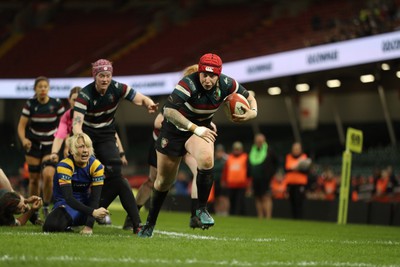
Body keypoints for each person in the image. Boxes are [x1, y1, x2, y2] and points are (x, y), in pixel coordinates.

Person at [138, 53, 258, 238]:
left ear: (219, 75)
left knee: (207, 159)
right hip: (174, 131)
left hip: (200, 129)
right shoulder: (188, 83)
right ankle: (150, 222)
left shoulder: (228, 84)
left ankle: (201, 209)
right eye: (204, 75)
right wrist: (195, 128)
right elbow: (169, 111)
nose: (208, 80)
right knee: (163, 182)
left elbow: (249, 96)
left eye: (212, 76)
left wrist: (253, 112)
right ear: (199, 72)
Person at [72, 59, 158, 234]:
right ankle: (78, 216)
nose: (105, 79)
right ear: (94, 76)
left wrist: (148, 102)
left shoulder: (118, 88)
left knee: (117, 175)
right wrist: (82, 146)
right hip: (87, 138)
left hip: (106, 136)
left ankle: (136, 225)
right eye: (101, 75)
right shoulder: (84, 95)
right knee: (96, 176)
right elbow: (76, 125)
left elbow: (139, 98)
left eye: (108, 75)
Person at [129, 64, 216, 230]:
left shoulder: (202, 101)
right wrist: (183, 125)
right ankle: (133, 214)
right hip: (165, 143)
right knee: (154, 181)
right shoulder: (178, 98)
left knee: (201, 169)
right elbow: (158, 122)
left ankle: (195, 215)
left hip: (187, 143)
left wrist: (206, 123)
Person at [17, 76, 65, 218]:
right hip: (34, 144)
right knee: (34, 178)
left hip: (51, 144)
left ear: (48, 88)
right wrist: (24, 139)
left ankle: (45, 206)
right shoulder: (30, 104)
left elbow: (64, 125)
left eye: (45, 86)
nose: (43, 89)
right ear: (35, 89)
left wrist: (66, 141)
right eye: (40, 87)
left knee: (48, 175)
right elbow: (21, 126)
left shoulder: (56, 104)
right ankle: (34, 209)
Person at [42, 133, 109, 234]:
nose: (86, 150)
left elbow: (95, 198)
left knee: (120, 182)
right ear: (72, 150)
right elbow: (68, 198)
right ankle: (95, 217)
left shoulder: (96, 165)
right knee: (50, 226)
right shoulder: (64, 165)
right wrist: (93, 212)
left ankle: (135, 224)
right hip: (66, 204)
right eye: (81, 147)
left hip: (87, 205)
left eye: (88, 146)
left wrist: (89, 226)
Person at [248, 133, 279, 219]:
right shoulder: (252, 150)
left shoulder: (269, 150)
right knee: (257, 197)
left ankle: (268, 217)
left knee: (266, 196)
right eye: (257, 140)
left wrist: (272, 173)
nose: (258, 142)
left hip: (266, 178)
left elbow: (276, 162)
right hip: (255, 178)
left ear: (264, 141)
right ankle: (260, 216)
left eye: (260, 140)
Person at [222, 141, 250, 216]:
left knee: (240, 201)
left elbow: (249, 171)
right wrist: (224, 180)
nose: (236, 150)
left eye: (238, 149)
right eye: (235, 149)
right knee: (231, 201)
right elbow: (225, 170)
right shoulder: (229, 158)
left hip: (241, 184)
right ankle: (232, 215)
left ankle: (241, 215)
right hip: (231, 184)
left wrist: (248, 183)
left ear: (241, 149)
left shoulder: (245, 157)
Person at [284, 142, 311, 219]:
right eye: (294, 148)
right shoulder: (288, 157)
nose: (296, 150)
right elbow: (286, 169)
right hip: (290, 184)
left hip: (300, 184)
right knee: (292, 202)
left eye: (297, 149)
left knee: (298, 202)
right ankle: (294, 218)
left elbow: (307, 171)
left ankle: (299, 218)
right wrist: (292, 169)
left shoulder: (304, 157)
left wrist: (297, 168)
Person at [212, 144, 229, 216]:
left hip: (223, 182)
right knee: (216, 198)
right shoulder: (214, 160)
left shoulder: (226, 160)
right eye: (218, 151)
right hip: (215, 182)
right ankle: (218, 212)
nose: (219, 153)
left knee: (224, 198)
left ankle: (224, 212)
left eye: (221, 151)